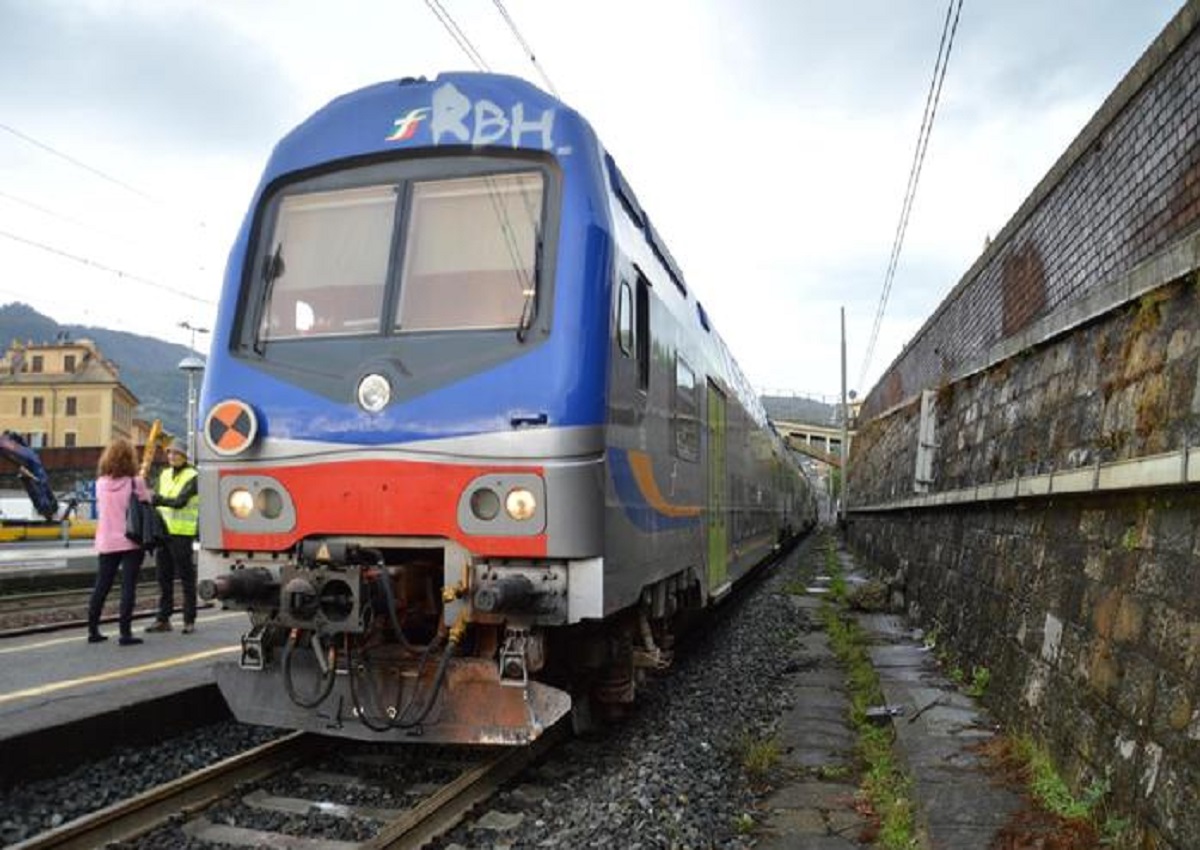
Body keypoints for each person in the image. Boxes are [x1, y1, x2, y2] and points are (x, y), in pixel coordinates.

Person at [87, 438, 150, 646]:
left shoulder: (100, 483)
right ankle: (125, 633)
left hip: (106, 541)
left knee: (102, 585)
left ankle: (93, 630)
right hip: (130, 541)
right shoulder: (136, 482)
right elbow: (146, 503)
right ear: (130, 459)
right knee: (128, 586)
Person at [145, 439, 199, 634]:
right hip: (163, 532)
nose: (171, 456)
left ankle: (189, 619)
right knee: (163, 577)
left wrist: (155, 499)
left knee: (186, 577)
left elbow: (180, 502)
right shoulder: (164, 474)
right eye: (169, 453)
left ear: (185, 456)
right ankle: (163, 619)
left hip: (182, 533)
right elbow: (155, 500)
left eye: (176, 453)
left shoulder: (194, 476)